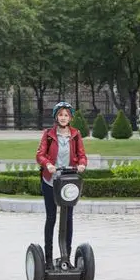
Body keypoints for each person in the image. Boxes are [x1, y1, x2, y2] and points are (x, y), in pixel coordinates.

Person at [35, 101, 87, 270]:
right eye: (60, 115)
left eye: (66, 115)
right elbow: (40, 155)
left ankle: (66, 257)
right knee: (51, 218)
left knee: (68, 218)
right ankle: (48, 259)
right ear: (56, 117)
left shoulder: (75, 134)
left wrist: (82, 164)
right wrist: (48, 164)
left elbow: (82, 155)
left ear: (70, 117)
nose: (63, 118)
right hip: (51, 180)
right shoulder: (49, 134)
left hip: (68, 181)